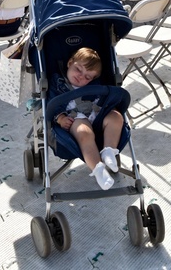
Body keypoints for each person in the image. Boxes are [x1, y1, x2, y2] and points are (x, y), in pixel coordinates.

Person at [50, 47, 123, 190]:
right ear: (70, 62)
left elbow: (106, 99)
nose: (81, 76)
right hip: (75, 117)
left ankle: (109, 151)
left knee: (117, 117)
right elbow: (50, 102)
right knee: (84, 132)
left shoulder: (96, 84)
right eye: (78, 69)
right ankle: (98, 170)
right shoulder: (56, 81)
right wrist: (60, 118)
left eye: (88, 77)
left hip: (96, 114)